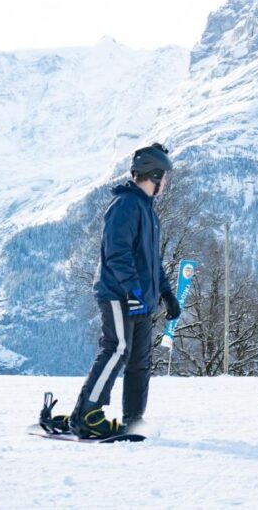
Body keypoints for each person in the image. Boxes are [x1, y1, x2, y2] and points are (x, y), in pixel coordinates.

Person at [61, 143, 181, 437]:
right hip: (119, 295)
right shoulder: (126, 206)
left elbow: (153, 262)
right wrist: (133, 290)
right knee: (117, 349)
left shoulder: (149, 213)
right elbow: (117, 253)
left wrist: (165, 293)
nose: (165, 182)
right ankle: (88, 414)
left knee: (140, 361)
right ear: (153, 175)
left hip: (142, 299)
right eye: (164, 176)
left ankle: (133, 419)